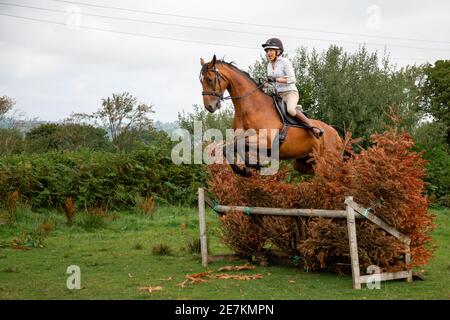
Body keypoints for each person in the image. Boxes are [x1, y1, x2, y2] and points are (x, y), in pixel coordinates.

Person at [262, 38, 323, 138]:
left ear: (278, 51)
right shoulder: (269, 65)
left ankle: (313, 128)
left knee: (290, 109)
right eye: (267, 51)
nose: (269, 53)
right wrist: (265, 84)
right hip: (279, 95)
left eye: (271, 50)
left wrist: (276, 79)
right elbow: (272, 84)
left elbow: (292, 79)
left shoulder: (285, 62)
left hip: (290, 93)